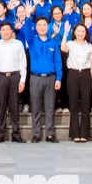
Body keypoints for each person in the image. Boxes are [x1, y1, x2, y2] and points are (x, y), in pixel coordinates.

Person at [0, 17, 27, 143]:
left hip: (15, 76)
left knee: (14, 106)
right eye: (3, 30)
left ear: (12, 31)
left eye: (8, 29)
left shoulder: (18, 44)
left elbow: (23, 62)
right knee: (1, 106)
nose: (6, 32)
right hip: (0, 77)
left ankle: (16, 133)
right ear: (0, 31)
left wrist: (22, 80)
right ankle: (0, 134)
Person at [27, 15, 62, 143]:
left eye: (44, 25)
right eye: (39, 25)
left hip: (50, 78)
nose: (42, 27)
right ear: (36, 27)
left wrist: (59, 78)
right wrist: (28, 16)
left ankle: (50, 134)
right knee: (35, 107)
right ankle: (36, 134)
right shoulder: (32, 40)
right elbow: (27, 30)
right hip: (35, 78)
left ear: (48, 27)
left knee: (50, 107)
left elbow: (58, 61)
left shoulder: (53, 43)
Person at [62, 22, 92, 143]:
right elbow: (63, 48)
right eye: (78, 31)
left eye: (83, 31)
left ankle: (85, 133)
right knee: (73, 104)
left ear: (86, 33)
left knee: (86, 104)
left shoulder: (89, 46)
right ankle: (75, 133)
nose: (81, 33)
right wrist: (65, 33)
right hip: (73, 74)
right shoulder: (70, 44)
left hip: (86, 74)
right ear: (74, 33)